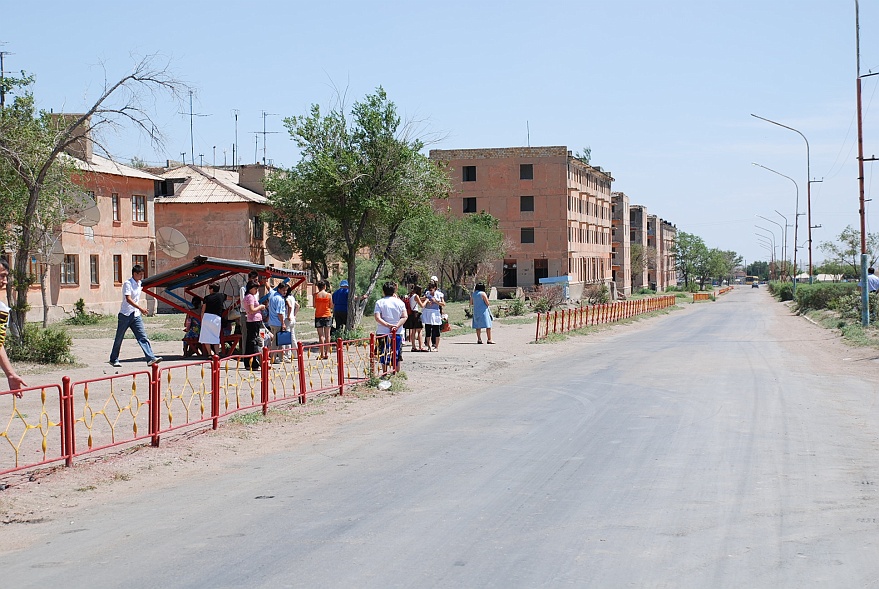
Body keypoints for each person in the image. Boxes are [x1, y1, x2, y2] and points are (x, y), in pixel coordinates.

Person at [109, 265, 162, 368]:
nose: (142, 276)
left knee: (142, 337)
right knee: (119, 338)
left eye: (143, 274)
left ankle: (150, 358)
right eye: (140, 274)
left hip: (136, 315)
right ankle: (113, 359)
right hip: (125, 314)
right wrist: (141, 308)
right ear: (135, 274)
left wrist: (138, 310)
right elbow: (128, 299)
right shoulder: (128, 283)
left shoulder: (139, 283)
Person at [0, 258, 27, 396]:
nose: (4, 281)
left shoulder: (2, 309)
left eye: (5, 276)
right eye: (1, 276)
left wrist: (10, 374)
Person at [374, 280, 408, 373]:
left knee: (383, 353)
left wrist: (388, 325)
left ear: (383, 291)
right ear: (394, 291)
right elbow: (404, 316)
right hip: (397, 332)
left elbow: (377, 317)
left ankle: (384, 372)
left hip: (383, 331)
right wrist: (396, 326)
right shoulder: (400, 303)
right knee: (397, 353)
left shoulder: (379, 302)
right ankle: (396, 372)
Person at [243, 281, 267, 370]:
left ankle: (250, 363)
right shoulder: (250, 297)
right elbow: (252, 310)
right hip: (254, 321)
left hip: (255, 320)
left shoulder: (251, 297)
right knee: (253, 342)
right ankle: (253, 362)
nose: (256, 290)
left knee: (252, 341)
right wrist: (260, 307)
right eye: (255, 288)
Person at [200, 283, 227, 356]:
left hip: (207, 317)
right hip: (216, 318)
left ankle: (209, 353)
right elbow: (230, 297)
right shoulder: (222, 296)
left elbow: (203, 310)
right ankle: (217, 354)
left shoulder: (207, 298)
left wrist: (202, 319)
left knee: (206, 337)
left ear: (211, 289)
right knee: (216, 337)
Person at [421, 280, 445, 352]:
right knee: (428, 330)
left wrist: (436, 301)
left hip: (435, 313)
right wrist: (426, 300)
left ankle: (436, 346)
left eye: (431, 289)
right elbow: (422, 299)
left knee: (436, 330)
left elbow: (443, 304)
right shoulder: (427, 293)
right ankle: (429, 346)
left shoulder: (439, 294)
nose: (430, 291)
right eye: (429, 289)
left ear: (435, 288)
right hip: (428, 312)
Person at [266, 282, 289, 361]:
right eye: (283, 290)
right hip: (278, 322)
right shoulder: (280, 299)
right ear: (279, 289)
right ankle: (272, 357)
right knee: (276, 341)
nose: (285, 292)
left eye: (286, 290)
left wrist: (266, 282)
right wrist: (283, 323)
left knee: (280, 340)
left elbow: (269, 288)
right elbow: (280, 313)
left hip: (271, 322)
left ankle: (281, 357)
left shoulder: (272, 294)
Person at [314, 280, 333, 359]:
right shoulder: (328, 295)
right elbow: (331, 305)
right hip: (327, 315)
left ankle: (321, 353)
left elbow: (315, 306)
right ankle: (327, 353)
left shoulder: (316, 295)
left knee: (321, 335)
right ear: (325, 287)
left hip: (318, 316)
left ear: (318, 287)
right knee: (327, 335)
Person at [404, 284, 426, 352]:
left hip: (411, 314)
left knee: (413, 331)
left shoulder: (411, 295)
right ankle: (421, 346)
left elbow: (419, 299)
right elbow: (422, 305)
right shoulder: (416, 296)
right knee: (419, 330)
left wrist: (424, 298)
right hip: (416, 314)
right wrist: (427, 300)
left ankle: (413, 346)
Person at [283, 287, 300, 360]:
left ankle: (288, 354)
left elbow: (289, 306)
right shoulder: (292, 297)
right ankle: (296, 353)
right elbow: (298, 306)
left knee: (287, 337)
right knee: (292, 336)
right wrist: (294, 314)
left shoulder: (286, 298)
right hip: (293, 318)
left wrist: (289, 315)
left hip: (288, 318)